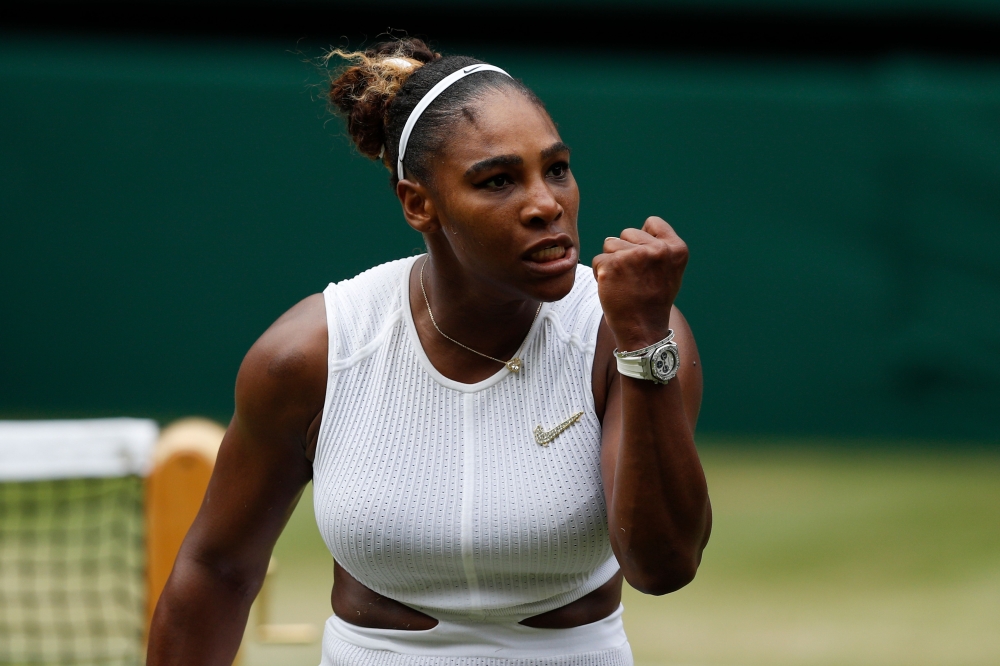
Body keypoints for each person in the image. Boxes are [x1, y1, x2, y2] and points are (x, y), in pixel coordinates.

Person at [147, 38, 711, 666]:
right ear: (419, 203)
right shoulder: (312, 353)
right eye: (497, 181)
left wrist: (643, 343)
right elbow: (216, 569)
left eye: (556, 169)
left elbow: (663, 565)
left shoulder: (628, 332)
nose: (546, 204)